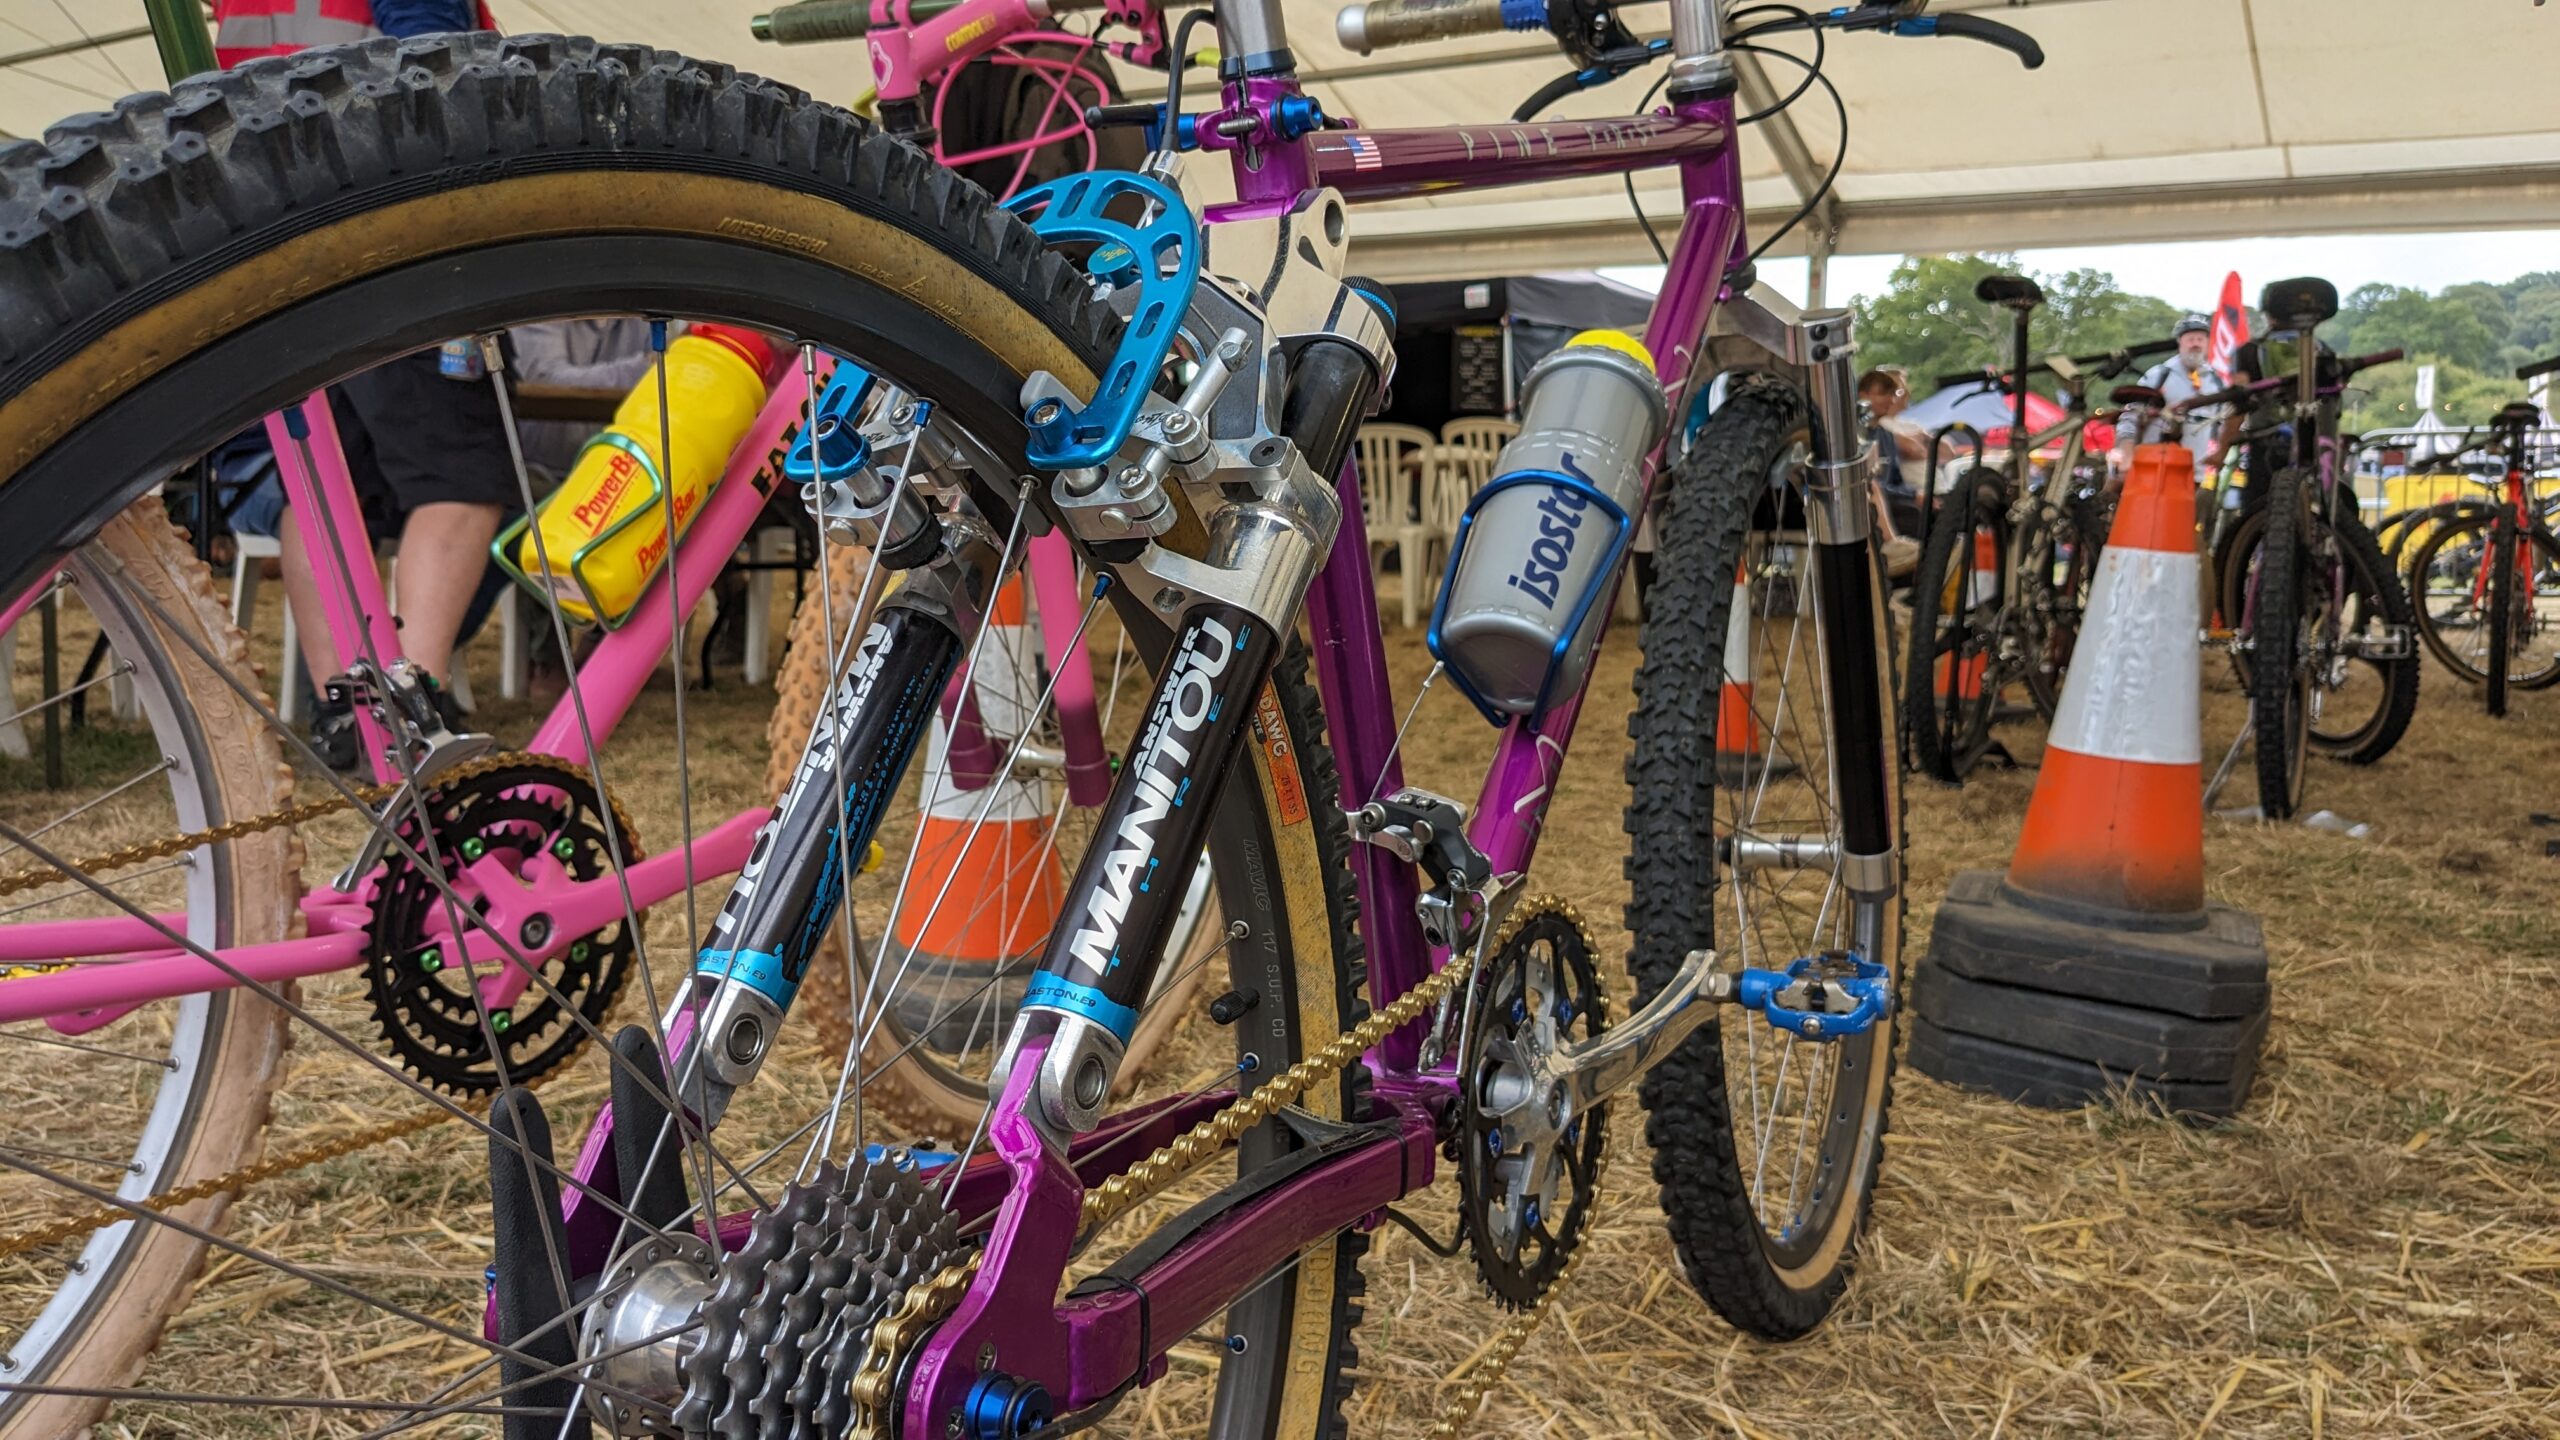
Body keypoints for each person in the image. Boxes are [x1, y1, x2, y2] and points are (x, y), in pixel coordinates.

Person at [216, 0, 509, 765]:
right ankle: (414, 703)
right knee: (459, 476)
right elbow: (436, 70)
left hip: (276, 246)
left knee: (321, 479)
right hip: (398, 238)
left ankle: (344, 711)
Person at [2112, 315, 2225, 476]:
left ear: (2208, 343)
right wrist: (2127, 452)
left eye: (2200, 339)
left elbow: (2222, 425)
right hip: (2152, 467)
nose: (2195, 344)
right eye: (2190, 339)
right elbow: (2130, 416)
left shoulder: (2217, 382)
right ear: (2180, 342)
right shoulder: (2159, 375)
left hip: (2193, 474)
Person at [1857, 366, 1926, 577]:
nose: (1888, 399)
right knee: (1916, 516)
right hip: (1867, 500)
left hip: (1889, 497)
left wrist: (1917, 494)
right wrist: (1913, 495)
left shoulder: (1885, 434)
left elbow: (1894, 478)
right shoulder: (1857, 432)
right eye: (1881, 393)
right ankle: (1891, 547)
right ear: (1863, 395)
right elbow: (1871, 480)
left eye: (1890, 394)